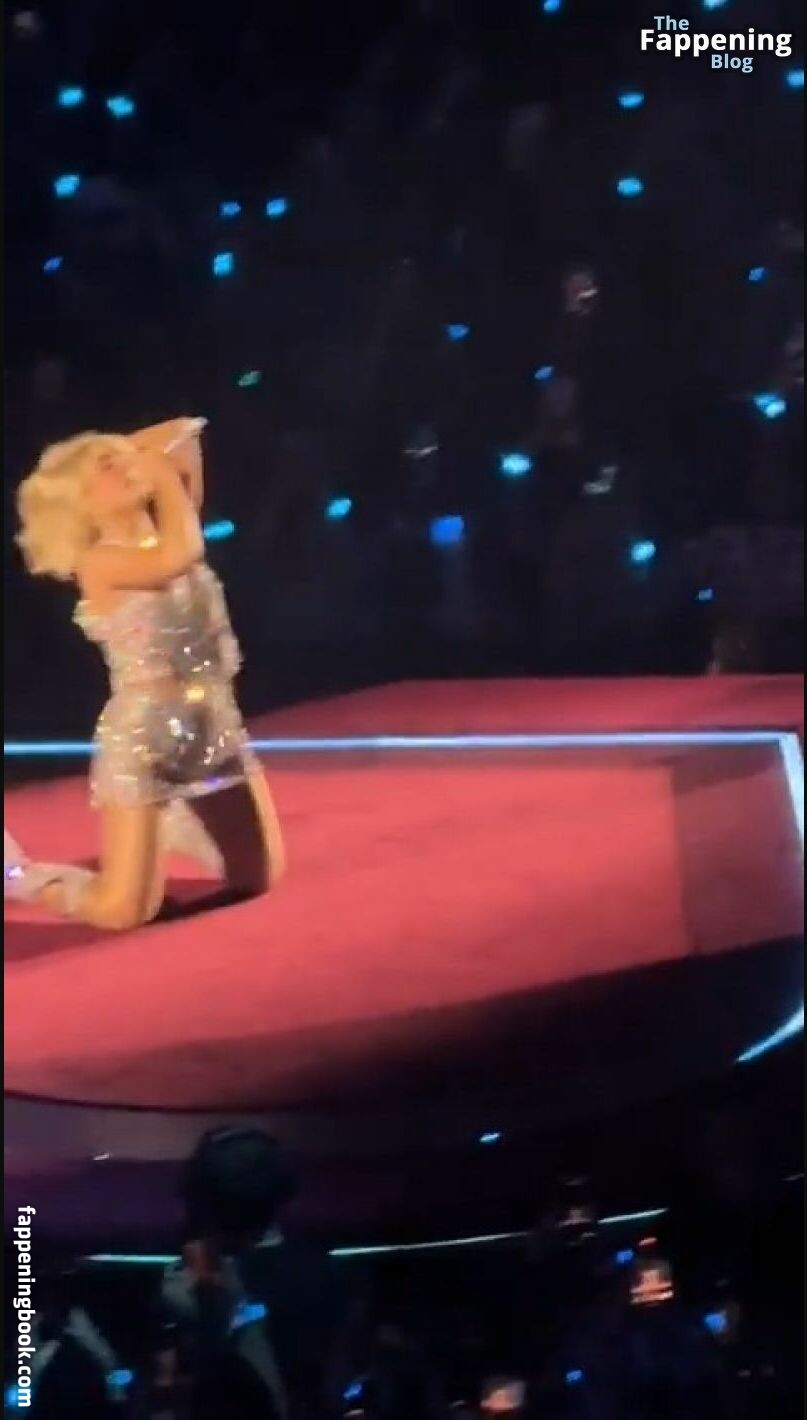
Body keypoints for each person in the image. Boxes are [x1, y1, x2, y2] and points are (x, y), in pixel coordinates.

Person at [4, 417, 285, 929]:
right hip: (147, 737)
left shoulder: (166, 532)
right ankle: (20, 875)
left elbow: (185, 443)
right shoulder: (99, 563)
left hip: (212, 720)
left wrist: (142, 453)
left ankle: (178, 821)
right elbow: (182, 552)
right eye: (105, 469)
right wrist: (155, 471)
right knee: (124, 911)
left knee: (258, 877)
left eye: (118, 460)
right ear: (83, 505)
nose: (124, 468)